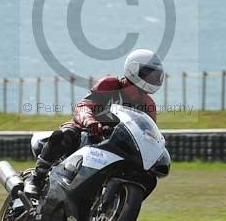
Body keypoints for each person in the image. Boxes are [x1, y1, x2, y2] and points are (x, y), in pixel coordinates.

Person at [24, 48, 163, 196]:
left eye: (155, 75)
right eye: (148, 73)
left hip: (114, 143)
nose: (152, 78)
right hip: (86, 132)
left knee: (142, 172)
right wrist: (89, 121)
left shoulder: (149, 105)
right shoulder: (110, 85)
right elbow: (83, 106)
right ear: (133, 69)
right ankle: (36, 179)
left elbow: (148, 134)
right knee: (67, 134)